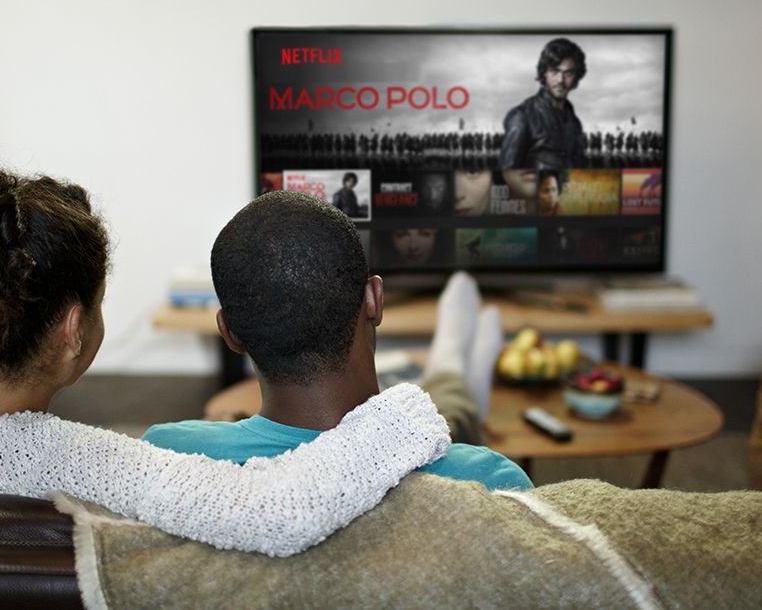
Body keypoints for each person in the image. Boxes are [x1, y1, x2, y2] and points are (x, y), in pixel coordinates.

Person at [0, 162, 453, 557]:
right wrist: (407, 412)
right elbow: (280, 511)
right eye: (98, 305)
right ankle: (454, 376)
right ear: (73, 328)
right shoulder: (59, 457)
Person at [143, 191, 532, 491]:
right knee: (446, 414)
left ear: (229, 332)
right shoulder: (488, 480)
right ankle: (451, 366)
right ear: (373, 301)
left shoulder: (163, 457)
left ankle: (454, 369)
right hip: (414, 444)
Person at [499, 37, 588, 171]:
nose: (560, 80)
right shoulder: (522, 117)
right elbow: (505, 178)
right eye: (554, 71)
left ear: (576, 76)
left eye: (568, 73)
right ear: (544, 73)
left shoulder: (574, 123)